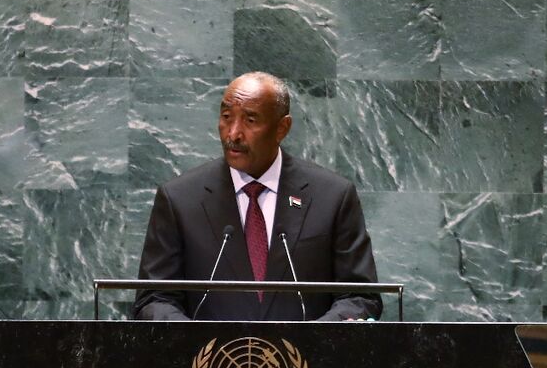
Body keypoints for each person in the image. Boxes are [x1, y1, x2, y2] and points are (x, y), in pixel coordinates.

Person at [132, 71, 382, 321]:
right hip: (209, 359)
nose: (233, 134)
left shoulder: (332, 197)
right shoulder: (180, 199)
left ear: (282, 128)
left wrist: (313, 339)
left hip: (308, 358)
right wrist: (198, 342)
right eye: (226, 117)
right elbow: (155, 298)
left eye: (250, 120)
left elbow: (359, 295)